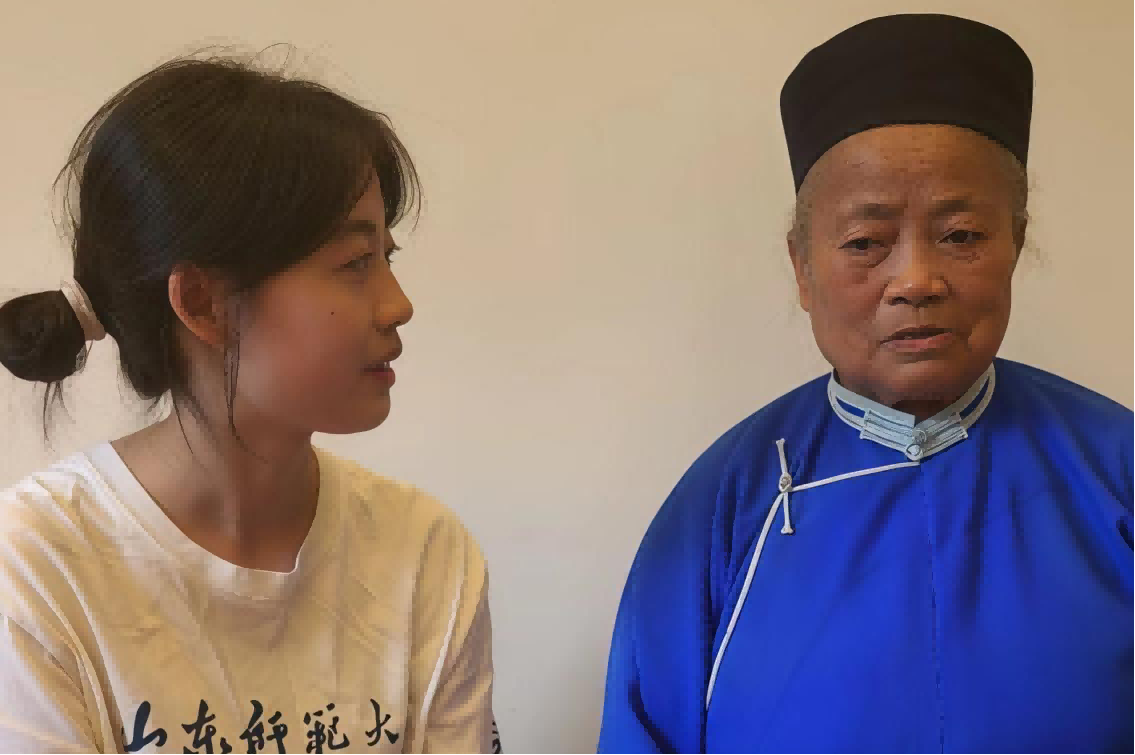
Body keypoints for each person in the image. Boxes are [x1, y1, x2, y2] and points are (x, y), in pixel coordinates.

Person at [598, 13, 1132, 754]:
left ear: (1015, 241)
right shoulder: (719, 509)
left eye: (961, 235)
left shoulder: (1116, 468)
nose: (915, 280)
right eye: (865, 242)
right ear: (802, 267)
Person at [0, 54, 499, 754]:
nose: (398, 304)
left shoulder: (423, 551)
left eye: (386, 256)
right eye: (355, 263)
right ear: (203, 302)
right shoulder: (36, 564)